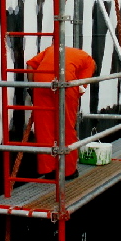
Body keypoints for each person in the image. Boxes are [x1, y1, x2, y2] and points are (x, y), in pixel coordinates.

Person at [26, 44, 96, 180]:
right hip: (65, 82)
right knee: (66, 127)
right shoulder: (89, 62)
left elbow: (30, 65)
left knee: (44, 129)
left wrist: (33, 88)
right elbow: (80, 87)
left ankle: (49, 170)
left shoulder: (52, 48)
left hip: (41, 82)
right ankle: (68, 171)